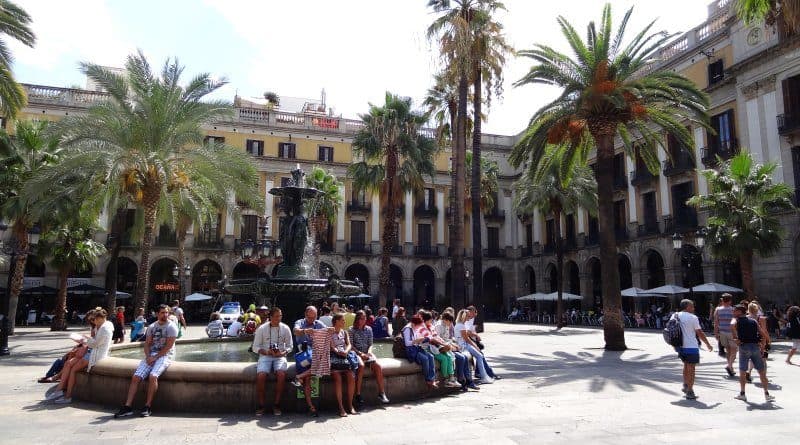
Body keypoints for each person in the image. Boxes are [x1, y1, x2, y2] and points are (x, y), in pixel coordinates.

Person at [115, 304, 178, 418]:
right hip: (151, 355)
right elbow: (147, 344)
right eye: (163, 312)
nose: (165, 315)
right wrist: (149, 356)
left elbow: (168, 346)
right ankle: (127, 406)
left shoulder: (171, 326)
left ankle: (147, 406)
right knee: (136, 377)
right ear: (157, 314)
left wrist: (155, 357)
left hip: (165, 355)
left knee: (153, 376)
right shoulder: (152, 327)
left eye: (166, 312)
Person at [48, 308, 114, 404]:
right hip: (91, 351)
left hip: (95, 354)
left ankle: (68, 396)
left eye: (94, 319)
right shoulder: (100, 326)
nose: (93, 321)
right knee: (68, 363)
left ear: (100, 318)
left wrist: (85, 340)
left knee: (73, 369)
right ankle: (59, 390)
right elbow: (94, 341)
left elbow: (95, 344)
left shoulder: (104, 328)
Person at [253, 307, 293, 416]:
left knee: (281, 374)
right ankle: (261, 405)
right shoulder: (261, 328)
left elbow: (290, 346)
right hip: (265, 355)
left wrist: (283, 353)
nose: (279, 318)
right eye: (276, 316)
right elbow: (255, 347)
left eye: (280, 316)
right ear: (270, 317)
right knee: (261, 375)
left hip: (280, 356)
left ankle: (277, 404)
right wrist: (266, 352)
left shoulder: (285, 328)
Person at [731, 304, 775, 402]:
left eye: (735, 311)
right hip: (755, 347)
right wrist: (762, 346)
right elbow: (763, 334)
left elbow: (731, 324)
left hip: (744, 347)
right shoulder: (754, 321)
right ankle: (766, 394)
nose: (733, 312)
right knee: (762, 372)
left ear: (739, 312)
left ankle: (742, 393)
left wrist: (735, 338)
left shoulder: (736, 321)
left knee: (742, 372)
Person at [291, 306, 328, 416]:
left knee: (307, 377)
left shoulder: (318, 323)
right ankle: (310, 406)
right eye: (310, 317)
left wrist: (330, 330)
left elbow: (328, 331)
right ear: (306, 315)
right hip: (302, 354)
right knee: (312, 372)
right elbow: (295, 331)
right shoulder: (300, 322)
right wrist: (305, 331)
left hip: (314, 355)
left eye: (314, 317)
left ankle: (299, 377)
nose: (312, 319)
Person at [674, 299, 713, 400]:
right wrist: (708, 344)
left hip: (680, 346)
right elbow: (699, 333)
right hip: (691, 346)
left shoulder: (675, 315)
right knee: (691, 368)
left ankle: (685, 385)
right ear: (687, 307)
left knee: (686, 365)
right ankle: (690, 391)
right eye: (692, 306)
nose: (693, 308)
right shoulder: (693, 317)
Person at [349, 310, 390, 406]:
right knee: (361, 366)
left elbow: (371, 344)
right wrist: (360, 354)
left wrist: (369, 353)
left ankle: (381, 393)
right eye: (361, 319)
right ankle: (358, 394)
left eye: (364, 318)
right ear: (357, 319)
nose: (363, 320)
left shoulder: (369, 329)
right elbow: (350, 346)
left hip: (367, 353)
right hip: (356, 354)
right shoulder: (351, 330)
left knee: (378, 366)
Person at [436, 311, 478, 390]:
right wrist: (451, 345)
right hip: (443, 348)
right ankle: (461, 380)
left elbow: (448, 338)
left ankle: (467, 380)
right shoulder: (439, 326)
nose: (451, 324)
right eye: (450, 321)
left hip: (450, 346)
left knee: (465, 357)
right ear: (445, 320)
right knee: (461, 358)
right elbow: (439, 339)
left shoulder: (446, 325)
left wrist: (453, 344)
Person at [455, 309, 495, 384]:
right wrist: (475, 346)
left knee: (479, 356)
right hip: (463, 346)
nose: (469, 318)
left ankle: (484, 376)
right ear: (464, 316)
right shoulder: (461, 326)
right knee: (479, 356)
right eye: (468, 316)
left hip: (463, 344)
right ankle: (484, 376)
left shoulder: (459, 325)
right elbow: (467, 339)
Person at [330, 313, 358, 416]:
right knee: (338, 378)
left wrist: (345, 351)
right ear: (336, 321)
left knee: (351, 377)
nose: (344, 322)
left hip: (344, 357)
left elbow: (349, 344)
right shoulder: (330, 332)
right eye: (342, 320)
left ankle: (350, 405)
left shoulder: (345, 332)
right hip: (334, 357)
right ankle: (341, 407)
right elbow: (331, 346)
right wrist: (338, 352)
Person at [401, 314, 438, 390]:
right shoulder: (407, 329)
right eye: (418, 326)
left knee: (431, 356)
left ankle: (432, 379)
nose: (419, 328)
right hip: (410, 351)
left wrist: (422, 340)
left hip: (416, 348)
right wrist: (416, 340)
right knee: (425, 359)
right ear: (414, 324)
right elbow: (407, 343)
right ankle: (428, 380)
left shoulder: (414, 327)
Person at [713, 293, 737, 377]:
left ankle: (731, 368)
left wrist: (716, 333)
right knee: (734, 351)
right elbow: (736, 322)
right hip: (732, 332)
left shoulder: (717, 309)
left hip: (722, 332)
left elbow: (716, 322)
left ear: (722, 300)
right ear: (730, 301)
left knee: (728, 351)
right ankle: (729, 366)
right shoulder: (733, 310)